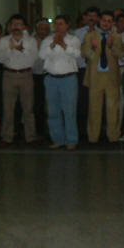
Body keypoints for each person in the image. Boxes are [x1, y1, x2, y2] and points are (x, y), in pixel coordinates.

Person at [82, 11, 124, 144]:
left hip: (111, 78)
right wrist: (94, 48)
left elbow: (121, 55)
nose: (106, 23)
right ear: (100, 21)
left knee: (113, 109)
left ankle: (113, 137)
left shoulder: (117, 37)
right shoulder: (90, 36)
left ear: (113, 23)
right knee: (94, 109)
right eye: (104, 20)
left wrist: (111, 46)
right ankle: (93, 137)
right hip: (95, 77)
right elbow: (86, 55)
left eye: (109, 21)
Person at [39, 15, 81, 150]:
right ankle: (58, 139)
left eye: (61, 23)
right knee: (53, 112)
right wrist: (52, 45)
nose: (58, 26)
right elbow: (41, 55)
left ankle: (71, 140)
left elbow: (77, 54)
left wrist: (63, 44)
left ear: (67, 25)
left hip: (68, 79)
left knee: (69, 111)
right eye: (56, 24)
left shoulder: (73, 39)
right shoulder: (47, 40)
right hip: (51, 79)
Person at [0, 14, 39, 146]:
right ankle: (7, 137)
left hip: (26, 75)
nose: (16, 27)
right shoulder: (4, 40)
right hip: (9, 76)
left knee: (28, 108)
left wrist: (21, 49)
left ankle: (31, 137)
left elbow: (33, 59)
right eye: (14, 24)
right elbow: (0, 59)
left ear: (24, 26)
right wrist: (10, 49)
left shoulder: (31, 40)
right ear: (10, 26)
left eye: (19, 24)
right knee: (8, 108)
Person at [72, 6, 100, 143]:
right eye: (89, 16)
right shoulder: (77, 33)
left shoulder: (103, 32)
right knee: (82, 102)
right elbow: (75, 52)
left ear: (98, 18)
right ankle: (82, 132)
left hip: (98, 71)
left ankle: (96, 132)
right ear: (85, 17)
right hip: (82, 70)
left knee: (96, 102)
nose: (91, 18)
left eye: (94, 16)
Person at [32, 18, 51, 137]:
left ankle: (50, 130)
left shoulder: (52, 39)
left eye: (46, 29)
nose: (43, 31)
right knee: (37, 103)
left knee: (50, 104)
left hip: (49, 74)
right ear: (36, 29)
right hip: (35, 75)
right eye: (41, 28)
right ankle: (39, 130)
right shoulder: (31, 40)